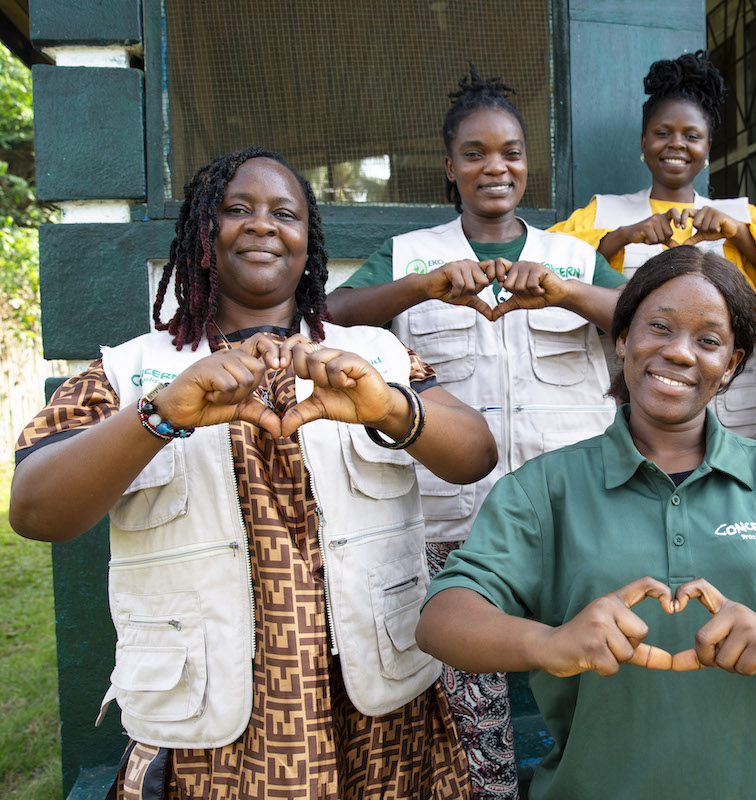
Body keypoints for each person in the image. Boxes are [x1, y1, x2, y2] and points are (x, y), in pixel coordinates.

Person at [9, 147, 498, 799]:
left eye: (285, 213)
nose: (263, 224)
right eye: (236, 208)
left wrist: (386, 404)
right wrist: (160, 416)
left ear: (308, 240)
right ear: (201, 234)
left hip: (381, 718)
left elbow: (476, 453)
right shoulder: (132, 373)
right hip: (214, 734)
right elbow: (37, 509)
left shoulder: (372, 354)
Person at [414, 246, 756, 800]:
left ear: (731, 365)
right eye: (659, 327)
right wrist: (548, 643)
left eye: (708, 341)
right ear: (622, 338)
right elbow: (443, 618)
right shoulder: (545, 489)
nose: (679, 353)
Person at [324, 67, 625, 800]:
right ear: (450, 166)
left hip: (573, 518)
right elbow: (331, 314)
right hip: (450, 525)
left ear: (530, 163)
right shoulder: (411, 255)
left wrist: (567, 293)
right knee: (471, 714)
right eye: (477, 153)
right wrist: (420, 289)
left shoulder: (572, 256)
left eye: (513, 152)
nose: (497, 167)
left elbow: (647, 320)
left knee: (600, 682)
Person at [550, 49, 756, 439]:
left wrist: (737, 232)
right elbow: (557, 276)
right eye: (662, 133)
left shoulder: (739, 215)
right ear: (644, 141)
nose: (676, 144)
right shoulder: (603, 213)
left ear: (708, 148)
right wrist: (623, 236)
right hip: (630, 412)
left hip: (731, 416)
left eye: (692, 136)